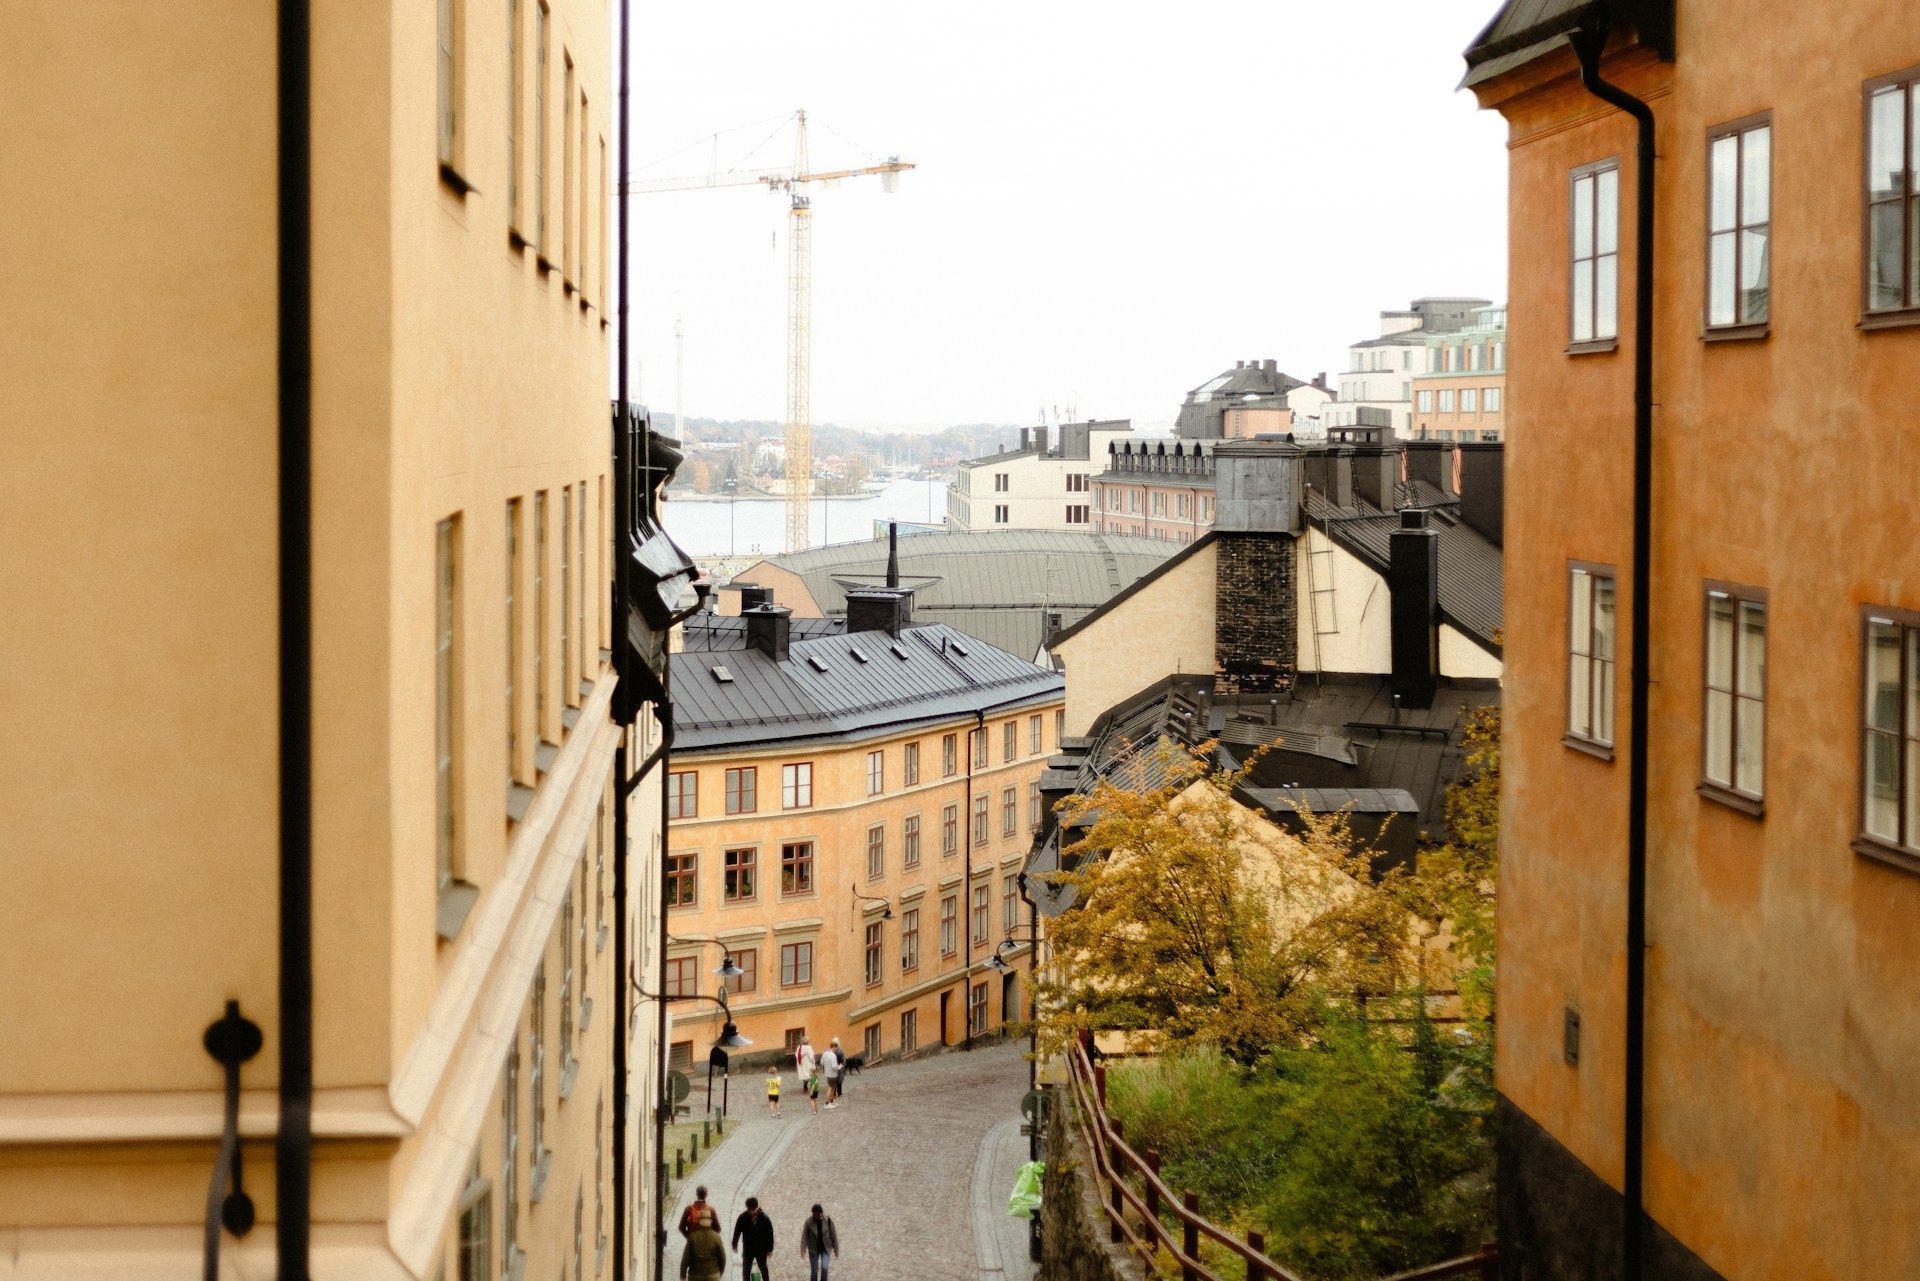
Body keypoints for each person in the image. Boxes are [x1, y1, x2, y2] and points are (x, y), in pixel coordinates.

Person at [731, 1197, 776, 1281]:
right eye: (749, 1210)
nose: (751, 1212)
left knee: (763, 1269)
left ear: (757, 1207)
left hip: (761, 1249)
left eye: (753, 1210)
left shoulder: (765, 1219)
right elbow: (737, 1232)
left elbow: (770, 1235)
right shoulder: (742, 1218)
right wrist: (734, 1244)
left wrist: (770, 1249)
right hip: (748, 1249)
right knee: (746, 1270)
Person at [680, 1208, 728, 1281]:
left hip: (695, 1275)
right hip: (712, 1275)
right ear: (711, 1222)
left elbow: (686, 1257)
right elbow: (722, 1257)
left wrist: (682, 1276)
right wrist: (719, 1273)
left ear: (699, 1222)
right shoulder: (716, 1237)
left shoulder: (693, 1236)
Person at [799, 1204, 838, 1281]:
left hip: (826, 1248)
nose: (814, 1215)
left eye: (816, 1214)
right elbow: (804, 1236)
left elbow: (833, 1235)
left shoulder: (828, 1221)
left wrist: (836, 1249)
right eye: (813, 1213)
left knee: (825, 1267)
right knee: (814, 1270)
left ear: (820, 1213)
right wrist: (802, 1250)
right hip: (813, 1248)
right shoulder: (808, 1222)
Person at [820, 1039, 843, 1108]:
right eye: (837, 1048)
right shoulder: (833, 1055)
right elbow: (834, 1067)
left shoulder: (825, 1053)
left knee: (833, 1088)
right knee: (831, 1088)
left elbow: (821, 1063)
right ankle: (827, 1103)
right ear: (834, 1047)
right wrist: (840, 1066)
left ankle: (831, 1102)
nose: (837, 1050)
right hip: (832, 1074)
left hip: (827, 1073)